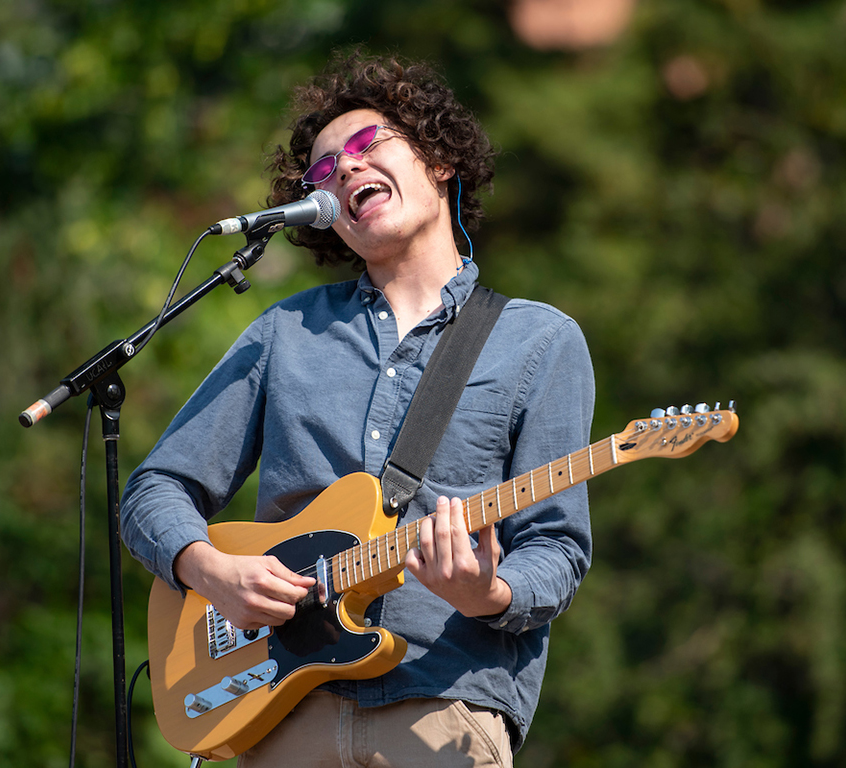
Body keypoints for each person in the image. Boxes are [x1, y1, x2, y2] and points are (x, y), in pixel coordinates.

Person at [120, 51, 594, 768]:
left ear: (438, 158)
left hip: (443, 709)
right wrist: (210, 570)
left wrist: (488, 591)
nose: (343, 168)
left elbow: (558, 549)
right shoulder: (286, 332)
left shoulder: (540, 340)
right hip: (278, 713)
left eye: (368, 145)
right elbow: (155, 489)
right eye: (322, 169)